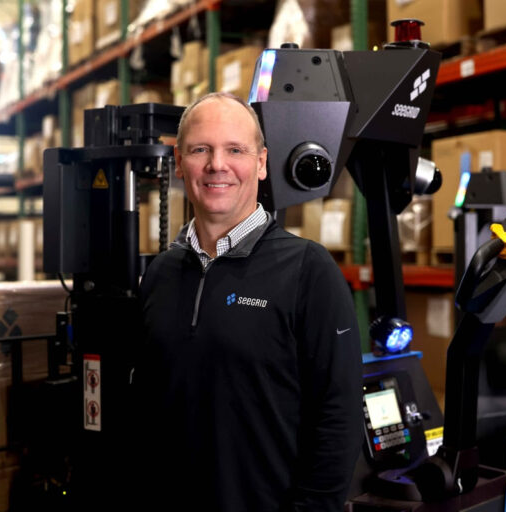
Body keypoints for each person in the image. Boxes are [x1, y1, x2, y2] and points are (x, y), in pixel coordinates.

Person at [135, 92, 363, 511]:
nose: (216, 165)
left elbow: (338, 419)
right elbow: (148, 416)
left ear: (260, 163)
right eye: (200, 149)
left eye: (235, 150)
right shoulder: (159, 276)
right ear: (180, 162)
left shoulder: (308, 272)